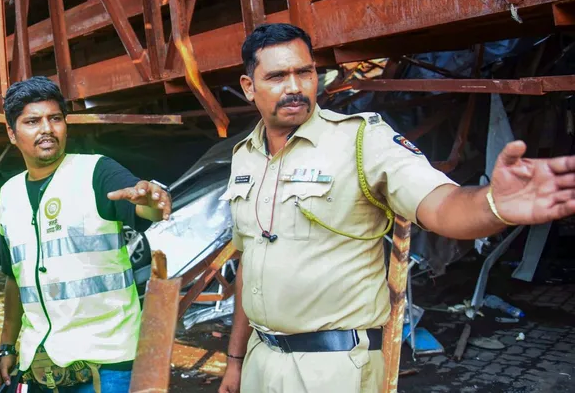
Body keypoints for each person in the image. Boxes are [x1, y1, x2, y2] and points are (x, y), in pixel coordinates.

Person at [217, 23, 575, 393]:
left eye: (304, 72)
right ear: (249, 87)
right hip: (260, 362)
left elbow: (440, 205)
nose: (294, 87)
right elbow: (251, 263)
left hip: (333, 370)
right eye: (277, 76)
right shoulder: (245, 157)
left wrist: (492, 204)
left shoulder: (361, 139)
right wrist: (236, 361)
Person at [0, 76, 172, 393]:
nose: (47, 129)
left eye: (55, 119)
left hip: (108, 365)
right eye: (32, 121)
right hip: (41, 363)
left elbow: (143, 207)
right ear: (12, 133)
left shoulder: (97, 172)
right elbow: (14, 277)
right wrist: (7, 346)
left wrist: (151, 202)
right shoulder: (9, 194)